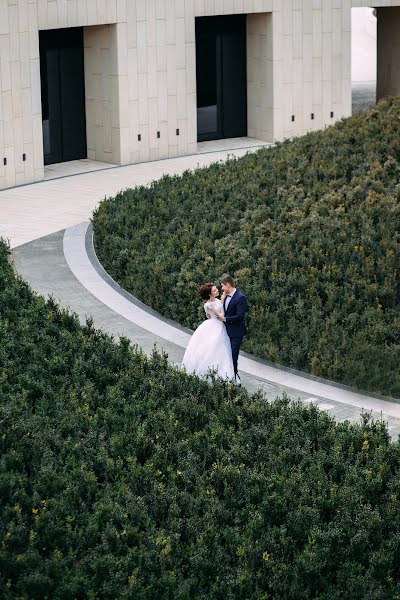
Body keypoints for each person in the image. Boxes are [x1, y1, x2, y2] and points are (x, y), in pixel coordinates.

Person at [182, 282, 235, 380]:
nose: (217, 290)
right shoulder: (208, 305)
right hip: (214, 326)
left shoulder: (217, 301)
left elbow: (209, 315)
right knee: (211, 346)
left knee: (219, 347)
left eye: (216, 289)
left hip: (216, 325)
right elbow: (219, 314)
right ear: (210, 294)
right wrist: (222, 302)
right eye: (214, 290)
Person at [217, 275, 249, 382]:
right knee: (225, 355)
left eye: (222, 286)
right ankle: (227, 376)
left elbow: (240, 316)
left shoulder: (241, 297)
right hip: (226, 331)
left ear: (228, 285)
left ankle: (234, 378)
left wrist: (225, 319)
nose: (222, 289)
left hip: (236, 333)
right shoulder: (225, 295)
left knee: (233, 356)